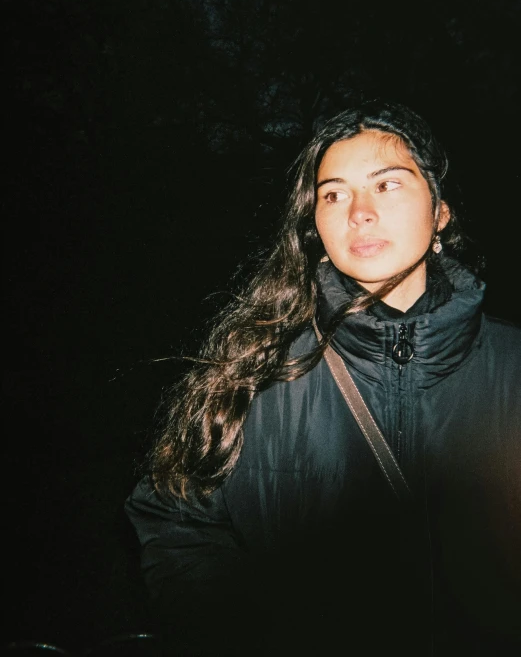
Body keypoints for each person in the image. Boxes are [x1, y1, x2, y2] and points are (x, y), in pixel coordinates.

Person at [125, 100, 521, 657]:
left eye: (387, 185)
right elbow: (173, 514)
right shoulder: (252, 372)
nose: (357, 210)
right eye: (333, 194)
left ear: (440, 213)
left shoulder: (512, 365)